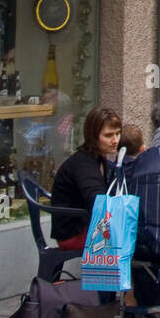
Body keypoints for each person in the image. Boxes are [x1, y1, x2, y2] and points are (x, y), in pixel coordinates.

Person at [50, 106, 122, 251]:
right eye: (108, 135)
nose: (115, 140)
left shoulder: (98, 160)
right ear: (93, 137)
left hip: (84, 227)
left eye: (118, 133)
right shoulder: (84, 165)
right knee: (131, 239)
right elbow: (98, 201)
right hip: (73, 234)